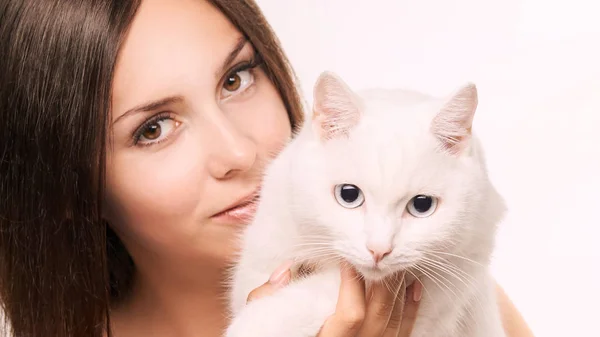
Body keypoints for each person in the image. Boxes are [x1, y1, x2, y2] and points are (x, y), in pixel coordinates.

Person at [0, 0, 535, 336]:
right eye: (154, 128)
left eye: (236, 79)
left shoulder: (443, 293)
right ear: (66, 187)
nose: (238, 153)